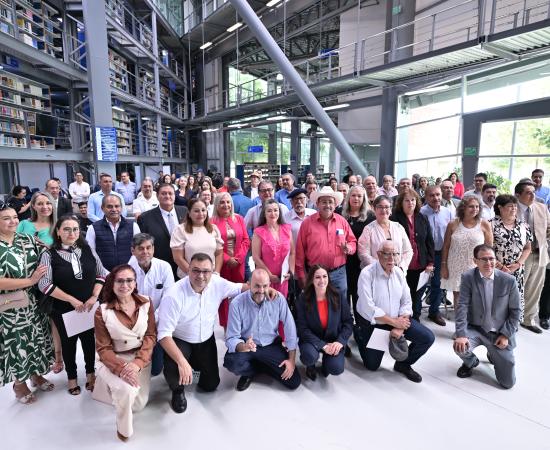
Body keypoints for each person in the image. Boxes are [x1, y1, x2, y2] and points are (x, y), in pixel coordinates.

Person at [158, 253, 261, 413]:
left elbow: (242, 287)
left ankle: (192, 370)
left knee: (210, 385)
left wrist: (264, 290)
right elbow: (164, 336)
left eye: (205, 271)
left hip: (205, 340)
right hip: (180, 339)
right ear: (188, 270)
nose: (200, 276)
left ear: (212, 271)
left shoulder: (218, 283)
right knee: (176, 365)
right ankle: (177, 389)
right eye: (195, 270)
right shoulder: (173, 294)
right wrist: (181, 361)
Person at [39, 215, 107, 395]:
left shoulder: (88, 249)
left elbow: (101, 274)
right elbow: (44, 284)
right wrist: (70, 299)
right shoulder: (48, 254)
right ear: (58, 232)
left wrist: (94, 296)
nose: (72, 233)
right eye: (67, 229)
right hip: (63, 309)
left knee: (89, 341)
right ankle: (72, 378)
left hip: (88, 306)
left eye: (75, 229)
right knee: (68, 344)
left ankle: (91, 374)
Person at [354, 241, 435, 382]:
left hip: (397, 320)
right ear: (378, 255)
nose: (391, 258)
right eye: (387, 254)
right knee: (372, 365)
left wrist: (400, 326)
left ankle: (403, 364)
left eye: (395, 254)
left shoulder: (399, 273)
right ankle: (359, 333)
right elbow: (368, 307)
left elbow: (406, 301)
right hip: (375, 323)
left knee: (427, 338)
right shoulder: (367, 274)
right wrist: (395, 323)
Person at [93, 265, 157, 441]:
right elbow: (103, 348)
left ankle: (108, 389)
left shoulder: (146, 302)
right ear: (112, 284)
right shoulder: (102, 311)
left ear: (135, 283)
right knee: (127, 391)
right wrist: (121, 369)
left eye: (129, 280)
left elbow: (151, 335)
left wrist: (137, 364)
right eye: (119, 281)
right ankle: (124, 430)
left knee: (138, 405)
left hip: (139, 358)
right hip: (113, 358)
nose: (125, 285)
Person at [0, 202, 54, 404]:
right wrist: (29, 281)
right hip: (9, 306)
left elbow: (45, 257)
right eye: (6, 218)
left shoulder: (26, 238)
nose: (13, 221)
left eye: (15, 217)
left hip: (34, 301)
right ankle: (19, 384)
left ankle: (36, 375)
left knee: (36, 339)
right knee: (17, 343)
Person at [223, 268, 301, 391]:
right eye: (257, 286)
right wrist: (244, 346)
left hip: (270, 346)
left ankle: (261, 365)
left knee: (294, 381)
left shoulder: (278, 299)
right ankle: (250, 372)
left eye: (265, 286)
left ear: (270, 285)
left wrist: (291, 360)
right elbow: (232, 337)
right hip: (247, 345)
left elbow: (290, 328)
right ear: (248, 284)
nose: (261, 290)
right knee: (231, 363)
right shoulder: (237, 303)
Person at [454, 244, 520, 389]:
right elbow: (462, 307)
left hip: (499, 334)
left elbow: (516, 311)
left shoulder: (509, 281)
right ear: (475, 261)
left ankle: (493, 354)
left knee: (508, 383)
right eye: (483, 259)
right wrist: (461, 334)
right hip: (476, 329)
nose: (488, 263)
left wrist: (505, 335)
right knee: (459, 346)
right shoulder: (468, 277)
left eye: (491, 259)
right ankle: (471, 362)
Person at [295, 186, 357, 311]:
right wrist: (302, 275)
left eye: (330, 202)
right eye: (324, 202)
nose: (327, 205)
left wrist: (349, 248)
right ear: (317, 204)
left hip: (338, 273)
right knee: (317, 308)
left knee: (340, 307)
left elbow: (353, 242)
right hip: (315, 273)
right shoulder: (307, 223)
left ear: (335, 205)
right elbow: (300, 252)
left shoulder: (342, 221)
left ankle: (339, 330)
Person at [296, 265, 353, 381]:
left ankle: (327, 365)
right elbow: (302, 329)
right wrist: (323, 345)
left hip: (333, 340)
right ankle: (310, 367)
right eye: (317, 277)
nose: (322, 281)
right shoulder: (303, 299)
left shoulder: (338, 296)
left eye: (324, 276)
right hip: (312, 341)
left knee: (336, 368)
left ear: (328, 278)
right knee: (308, 356)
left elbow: (348, 322)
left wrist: (340, 342)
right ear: (311, 279)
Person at [441, 195, 493, 310]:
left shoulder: (484, 224)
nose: (474, 209)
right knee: (458, 296)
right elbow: (446, 246)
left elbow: (489, 249)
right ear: (463, 208)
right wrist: (444, 266)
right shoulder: (453, 224)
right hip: (455, 265)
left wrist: (488, 266)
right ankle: (460, 324)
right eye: (471, 206)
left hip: (475, 266)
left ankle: (473, 323)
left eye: (477, 206)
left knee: (476, 296)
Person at [391, 189, 434, 321]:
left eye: (413, 200)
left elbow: (429, 241)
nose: (410, 203)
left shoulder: (422, 218)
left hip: (420, 263)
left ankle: (415, 318)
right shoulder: (394, 218)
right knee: (403, 294)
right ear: (401, 203)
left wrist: (430, 262)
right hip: (402, 264)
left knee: (417, 293)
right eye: (407, 200)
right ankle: (401, 319)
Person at [515, 180, 550, 333]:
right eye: (528, 193)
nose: (532, 195)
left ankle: (528, 319)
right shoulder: (512, 208)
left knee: (535, 289)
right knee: (515, 288)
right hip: (519, 255)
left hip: (539, 253)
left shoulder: (542, 207)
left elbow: (548, 227)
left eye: (533, 192)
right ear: (518, 195)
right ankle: (510, 319)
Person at [211, 192, 250, 328]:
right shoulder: (211, 222)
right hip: (222, 264)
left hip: (238, 263)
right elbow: (213, 244)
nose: (226, 205)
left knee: (239, 294)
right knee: (223, 295)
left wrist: (238, 258)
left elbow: (246, 240)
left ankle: (241, 324)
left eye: (228, 202)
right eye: (222, 202)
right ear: (217, 205)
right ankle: (227, 326)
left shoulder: (239, 218)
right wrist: (227, 259)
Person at [490, 194, 531, 320]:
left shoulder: (523, 226)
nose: (513, 209)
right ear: (500, 208)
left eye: (515, 206)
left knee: (514, 300)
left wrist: (518, 264)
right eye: (509, 206)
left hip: (517, 270)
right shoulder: (491, 224)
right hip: (495, 270)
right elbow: (487, 250)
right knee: (496, 299)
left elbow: (527, 248)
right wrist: (501, 266)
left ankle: (510, 328)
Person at [137, 184, 187, 278]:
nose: (167, 196)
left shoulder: (185, 212)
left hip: (184, 266)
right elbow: (143, 244)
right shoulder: (145, 218)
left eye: (170, 193)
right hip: (159, 268)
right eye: (163, 193)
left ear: (174, 196)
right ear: (157, 196)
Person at [420, 185, 454, 326]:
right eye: (432, 195)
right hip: (424, 254)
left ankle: (434, 312)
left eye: (438, 195)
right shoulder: (420, 212)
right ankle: (414, 313)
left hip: (441, 253)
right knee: (420, 284)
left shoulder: (448, 212)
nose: (436, 198)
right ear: (426, 197)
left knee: (438, 284)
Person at [340, 186, 374, 314]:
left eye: (360, 196)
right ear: (349, 197)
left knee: (359, 295)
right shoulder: (339, 214)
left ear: (364, 199)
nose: (356, 198)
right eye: (353, 195)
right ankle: (346, 323)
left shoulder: (370, 216)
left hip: (361, 263)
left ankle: (359, 326)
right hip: (343, 261)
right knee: (344, 295)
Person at [170, 198, 223, 279]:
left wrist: (216, 272)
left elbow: (219, 253)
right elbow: (178, 258)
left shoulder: (213, 229)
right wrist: (195, 275)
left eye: (203, 210)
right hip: (188, 277)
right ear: (189, 213)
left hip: (211, 277)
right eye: (196, 211)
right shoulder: (180, 230)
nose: (201, 214)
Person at [357, 195, 412, 271]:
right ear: (374, 209)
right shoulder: (368, 229)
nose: (383, 210)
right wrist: (381, 267)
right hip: (375, 272)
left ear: (391, 209)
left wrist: (401, 267)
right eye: (380, 207)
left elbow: (408, 251)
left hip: (397, 272)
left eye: (386, 207)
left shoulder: (398, 227)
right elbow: (363, 253)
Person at [251, 199, 294, 298]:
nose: (273, 213)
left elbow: (292, 252)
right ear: (264, 213)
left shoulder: (287, 229)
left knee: (280, 306)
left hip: (283, 279)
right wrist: (269, 275)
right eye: (269, 211)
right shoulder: (258, 232)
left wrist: (290, 272)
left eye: (275, 210)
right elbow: (256, 257)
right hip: (264, 280)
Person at [86, 194, 140, 271]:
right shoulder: (93, 228)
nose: (114, 209)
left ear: (121, 208)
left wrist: (127, 269)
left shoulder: (133, 226)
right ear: (102, 208)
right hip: (103, 275)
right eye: (109, 206)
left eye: (117, 206)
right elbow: (91, 253)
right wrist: (104, 273)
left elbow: (137, 251)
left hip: (129, 272)